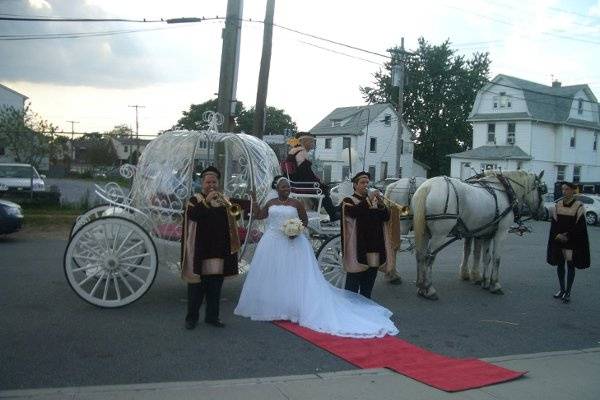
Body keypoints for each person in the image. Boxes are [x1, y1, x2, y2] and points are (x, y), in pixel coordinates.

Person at [234, 176, 398, 338]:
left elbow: (304, 221)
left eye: (288, 187)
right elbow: (259, 215)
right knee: (273, 274)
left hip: (292, 241)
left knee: (295, 275)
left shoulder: (296, 203)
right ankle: (273, 305)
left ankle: (293, 307)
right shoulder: (271, 203)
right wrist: (254, 201)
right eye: (283, 187)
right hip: (272, 241)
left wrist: (295, 230)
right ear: (277, 189)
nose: (286, 189)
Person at [181, 166, 240, 329]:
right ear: (202, 183)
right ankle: (191, 318)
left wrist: (232, 208)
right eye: (208, 182)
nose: (211, 185)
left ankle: (212, 317)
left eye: (214, 182)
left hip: (219, 250)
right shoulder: (195, 200)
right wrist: (207, 202)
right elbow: (193, 215)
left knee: (215, 287)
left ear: (218, 183)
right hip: (200, 250)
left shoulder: (223, 199)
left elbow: (236, 216)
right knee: (196, 288)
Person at [341, 171, 398, 299]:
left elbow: (386, 217)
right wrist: (368, 200)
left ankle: (366, 306)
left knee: (368, 284)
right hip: (358, 248)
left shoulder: (374, 201)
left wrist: (381, 204)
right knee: (352, 286)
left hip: (374, 247)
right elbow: (354, 212)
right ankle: (351, 310)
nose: (366, 185)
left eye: (367, 182)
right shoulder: (349, 200)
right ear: (355, 185)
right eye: (362, 183)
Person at [547, 181, 590, 303]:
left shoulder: (578, 206)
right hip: (559, 241)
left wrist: (567, 235)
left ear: (572, 190)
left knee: (570, 266)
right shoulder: (558, 205)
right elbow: (554, 223)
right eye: (562, 189)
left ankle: (568, 292)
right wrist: (557, 235)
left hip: (571, 243)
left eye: (566, 189)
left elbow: (580, 226)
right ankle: (561, 289)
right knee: (560, 265)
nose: (564, 191)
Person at [285, 132, 340, 222]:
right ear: (305, 142)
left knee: (321, 186)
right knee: (322, 188)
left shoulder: (294, 151)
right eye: (312, 142)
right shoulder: (302, 152)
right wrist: (318, 181)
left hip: (295, 182)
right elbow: (306, 173)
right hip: (299, 183)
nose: (313, 145)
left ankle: (330, 209)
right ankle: (332, 213)